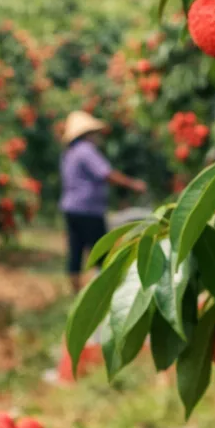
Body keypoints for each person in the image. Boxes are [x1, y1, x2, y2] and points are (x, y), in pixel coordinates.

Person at [60, 110, 146, 292]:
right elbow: (106, 174)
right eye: (95, 133)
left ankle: (76, 295)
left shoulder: (70, 152)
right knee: (102, 253)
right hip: (88, 209)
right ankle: (103, 293)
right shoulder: (86, 150)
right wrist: (132, 184)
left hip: (71, 207)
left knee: (75, 252)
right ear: (87, 134)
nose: (98, 136)